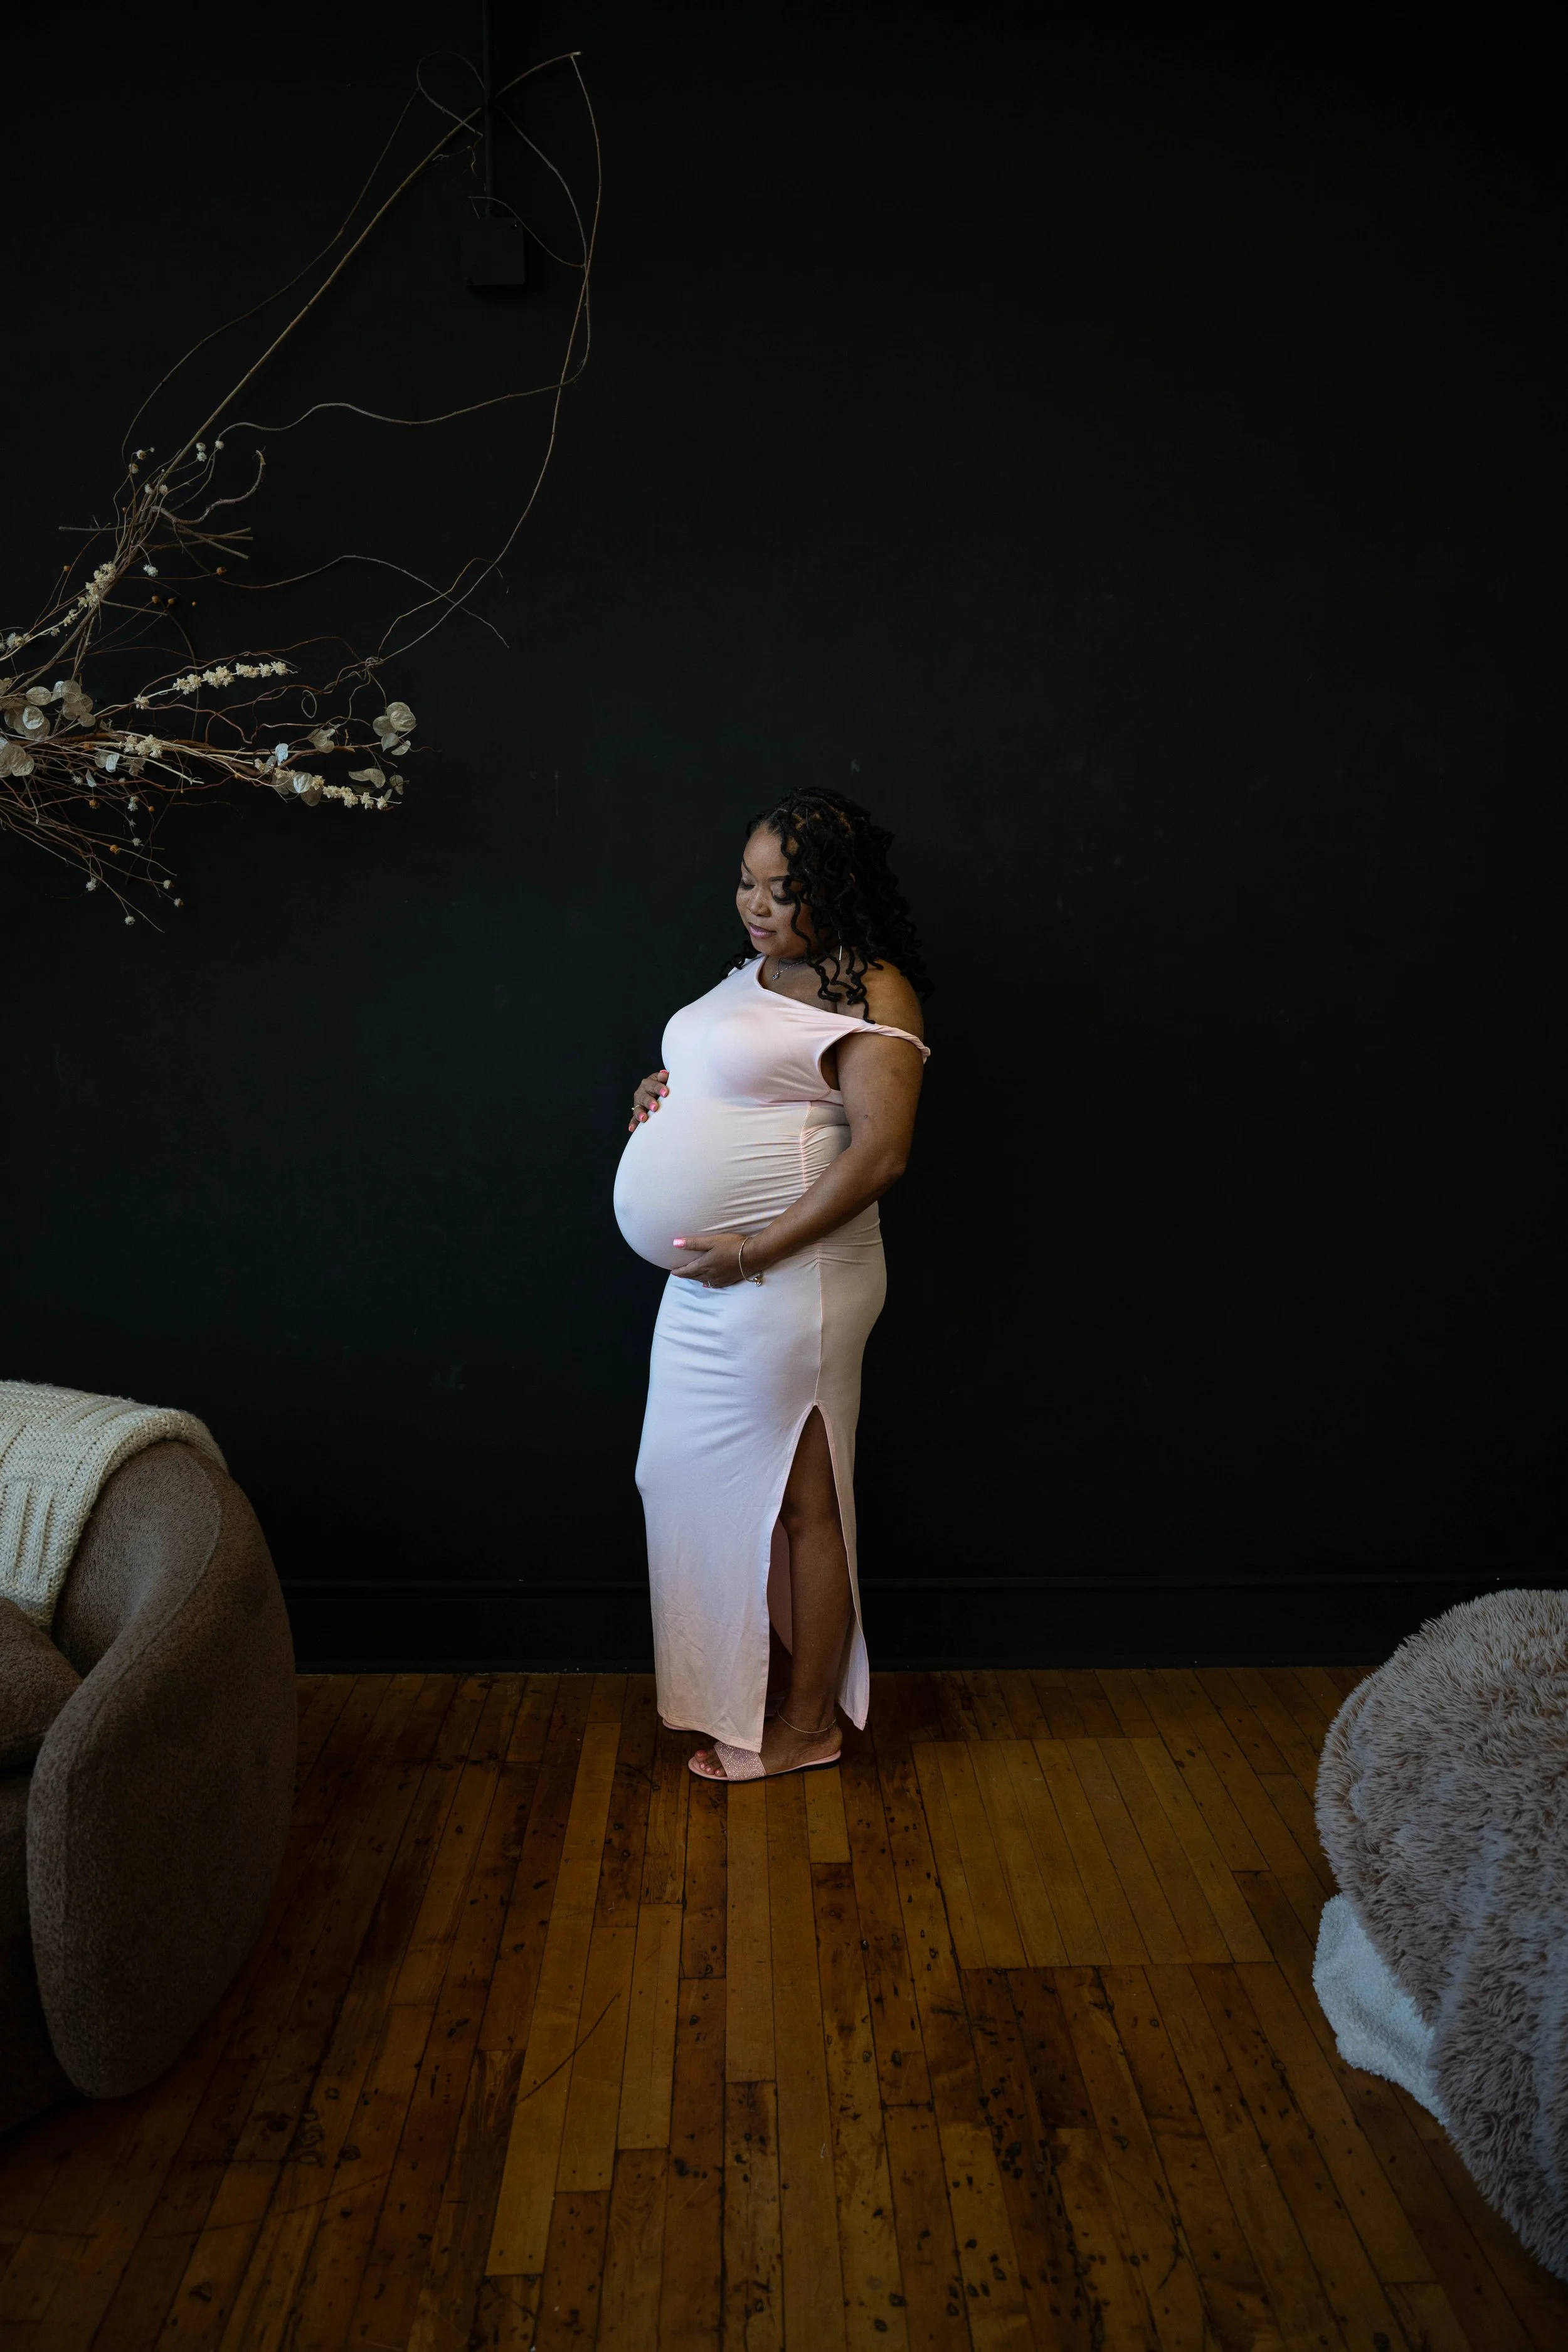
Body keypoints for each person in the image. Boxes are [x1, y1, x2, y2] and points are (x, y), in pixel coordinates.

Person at [613, 788, 930, 1783]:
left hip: (795, 1277)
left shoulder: (872, 989)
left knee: (804, 1504)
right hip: (716, 1282)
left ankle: (807, 1726)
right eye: (746, 883)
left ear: (834, 889)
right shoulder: (752, 971)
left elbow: (881, 1153)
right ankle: (744, 1689)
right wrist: (665, 1094)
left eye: (783, 890)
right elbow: (738, 1079)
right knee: (676, 1476)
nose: (757, 905)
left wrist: (752, 1251)